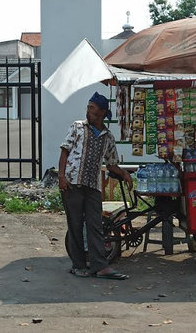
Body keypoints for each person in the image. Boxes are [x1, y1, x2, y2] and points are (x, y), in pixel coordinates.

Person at [59, 92, 133, 280]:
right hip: (72, 183)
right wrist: (61, 177)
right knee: (75, 224)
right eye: (88, 107)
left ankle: (100, 266)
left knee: (95, 225)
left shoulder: (108, 136)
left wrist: (124, 174)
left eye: (92, 108)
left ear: (102, 112)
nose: (88, 110)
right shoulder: (77, 127)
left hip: (93, 185)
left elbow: (111, 164)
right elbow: (65, 151)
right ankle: (78, 265)